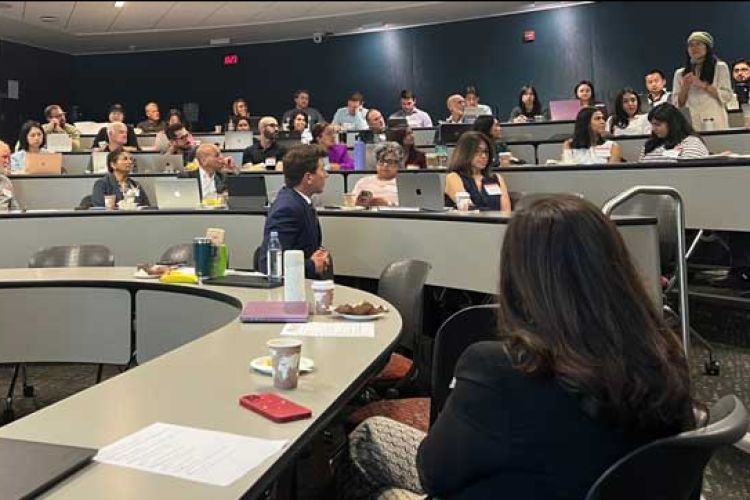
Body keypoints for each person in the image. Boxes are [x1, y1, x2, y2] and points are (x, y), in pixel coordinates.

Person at [343, 194, 695, 500]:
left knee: (371, 460)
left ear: (518, 273)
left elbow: (434, 473)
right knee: (374, 432)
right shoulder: (663, 353)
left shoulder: (498, 368)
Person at [257, 144, 331, 279]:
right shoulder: (287, 209)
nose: (326, 175)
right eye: (322, 170)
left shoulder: (300, 201)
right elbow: (270, 264)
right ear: (308, 177)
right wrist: (312, 265)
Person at [673, 31, 733, 131]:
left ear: (707, 47)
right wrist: (685, 87)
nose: (694, 48)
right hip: (690, 122)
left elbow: (727, 96)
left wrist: (703, 85)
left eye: (698, 44)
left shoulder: (720, 67)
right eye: (691, 45)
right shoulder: (680, 73)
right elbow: (678, 104)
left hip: (715, 119)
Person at [445, 131, 511, 211]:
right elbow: (467, 209)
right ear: (465, 153)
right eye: (477, 151)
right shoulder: (454, 177)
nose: (483, 156)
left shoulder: (497, 178)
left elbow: (506, 212)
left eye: (485, 152)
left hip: (498, 222)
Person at [639, 103, 709, 161]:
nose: (653, 129)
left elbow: (689, 172)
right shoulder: (649, 145)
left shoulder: (692, 143)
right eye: (652, 124)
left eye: (658, 124)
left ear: (672, 124)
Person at [351, 142, 403, 207]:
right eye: (381, 161)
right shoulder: (363, 182)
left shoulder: (403, 184)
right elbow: (350, 205)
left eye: (390, 162)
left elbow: (410, 207)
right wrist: (358, 203)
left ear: (398, 164)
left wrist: (387, 204)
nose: (385, 165)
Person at [0, 141, 20, 210]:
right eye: (4, 157)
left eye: (9, 158)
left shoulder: (5, 181)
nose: (7, 161)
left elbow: (15, 209)